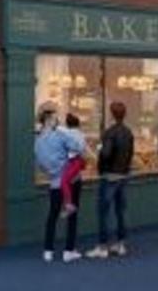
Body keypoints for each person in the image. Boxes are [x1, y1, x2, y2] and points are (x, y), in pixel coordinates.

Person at [34, 104, 85, 264]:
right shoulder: (59, 135)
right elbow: (78, 147)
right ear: (49, 118)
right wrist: (66, 133)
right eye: (56, 116)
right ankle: (69, 251)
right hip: (71, 180)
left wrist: (52, 172)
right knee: (72, 215)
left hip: (54, 182)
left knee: (52, 215)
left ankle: (48, 250)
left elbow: (40, 165)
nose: (58, 119)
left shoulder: (37, 141)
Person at [86, 101, 135, 260]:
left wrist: (99, 152)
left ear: (111, 114)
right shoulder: (128, 132)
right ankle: (120, 244)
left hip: (109, 176)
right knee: (120, 211)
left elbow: (106, 154)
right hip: (123, 176)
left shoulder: (109, 133)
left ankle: (102, 247)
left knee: (103, 213)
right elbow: (130, 154)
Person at [58, 113, 86, 217]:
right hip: (77, 175)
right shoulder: (81, 135)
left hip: (70, 165)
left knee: (64, 182)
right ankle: (69, 207)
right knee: (75, 214)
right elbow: (83, 152)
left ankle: (67, 205)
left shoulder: (66, 133)